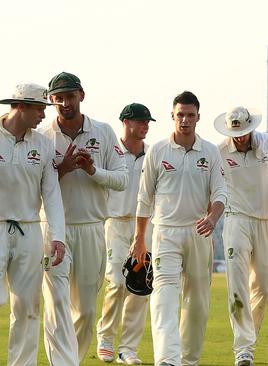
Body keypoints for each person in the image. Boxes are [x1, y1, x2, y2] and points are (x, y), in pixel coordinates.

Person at [39, 71, 128, 363]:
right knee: (56, 305)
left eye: (70, 96)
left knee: (86, 310)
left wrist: (93, 171)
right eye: (59, 98)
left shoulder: (102, 132)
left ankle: (72, 360)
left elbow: (122, 179)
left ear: (82, 95)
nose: (65, 102)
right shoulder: (42, 136)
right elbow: (33, 183)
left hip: (91, 228)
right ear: (52, 100)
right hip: (53, 230)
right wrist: (60, 169)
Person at [132, 91, 227, 366]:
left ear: (198, 117)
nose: (185, 120)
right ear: (172, 116)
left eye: (190, 115)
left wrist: (212, 218)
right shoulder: (158, 151)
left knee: (197, 302)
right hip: (165, 233)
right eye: (180, 115)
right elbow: (144, 197)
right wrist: (140, 239)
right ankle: (167, 359)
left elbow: (221, 193)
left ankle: (189, 360)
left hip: (199, 232)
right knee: (164, 296)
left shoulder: (210, 152)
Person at [214, 106, 268, 366]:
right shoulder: (220, 151)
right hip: (235, 220)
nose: (240, 138)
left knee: (263, 288)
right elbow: (211, 188)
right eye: (235, 134)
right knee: (237, 284)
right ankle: (243, 348)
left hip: (265, 222)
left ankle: (249, 337)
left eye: (244, 132)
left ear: (251, 128)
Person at [0, 84, 65, 366]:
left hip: (29, 230)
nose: (43, 115)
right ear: (21, 106)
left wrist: (58, 237)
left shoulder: (43, 144)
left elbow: (51, 194)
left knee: (27, 305)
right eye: (39, 108)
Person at [96, 103, 156, 364]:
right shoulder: (111, 152)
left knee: (140, 286)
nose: (145, 126)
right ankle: (106, 338)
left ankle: (128, 348)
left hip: (145, 225)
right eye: (140, 121)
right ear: (125, 122)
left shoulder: (153, 154)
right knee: (117, 284)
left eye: (147, 122)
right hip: (115, 224)